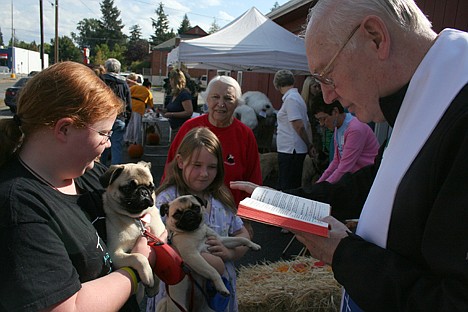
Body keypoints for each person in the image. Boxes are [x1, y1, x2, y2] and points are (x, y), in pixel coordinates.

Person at [234, 0, 468, 310]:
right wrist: (280, 201)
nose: (328, 96)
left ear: (375, 37)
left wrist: (342, 253)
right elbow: (376, 180)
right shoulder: (424, 91)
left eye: (326, 75)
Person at [0, 61, 158, 311]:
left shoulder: (89, 175)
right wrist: (136, 268)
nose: (108, 144)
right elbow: (69, 307)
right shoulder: (18, 207)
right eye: (104, 133)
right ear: (64, 128)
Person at [148, 127, 251, 312]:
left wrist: (231, 254)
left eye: (211, 167)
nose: (204, 173)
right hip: (177, 291)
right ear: (180, 161)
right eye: (197, 165)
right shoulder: (165, 200)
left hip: (216, 295)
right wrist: (205, 260)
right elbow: (154, 243)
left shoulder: (221, 200)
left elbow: (242, 232)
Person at [163, 75, 262, 238]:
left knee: (224, 261)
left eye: (228, 98)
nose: (221, 104)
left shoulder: (245, 134)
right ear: (207, 99)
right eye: (215, 97)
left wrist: (247, 221)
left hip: (230, 221)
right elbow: (170, 171)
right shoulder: (190, 128)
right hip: (188, 220)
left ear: (237, 103)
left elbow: (253, 179)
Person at [313, 100, 379, 184]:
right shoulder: (338, 126)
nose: (322, 124)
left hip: (367, 178)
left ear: (335, 112)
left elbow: (345, 167)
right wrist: (320, 182)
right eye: (319, 120)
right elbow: (337, 160)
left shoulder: (355, 129)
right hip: (357, 176)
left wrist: (324, 186)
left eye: (323, 119)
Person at [273, 69, 314, 190]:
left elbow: (299, 126)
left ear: (278, 85)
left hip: (290, 150)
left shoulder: (291, 99)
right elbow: (307, 125)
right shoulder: (297, 98)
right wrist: (309, 144)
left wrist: (308, 145)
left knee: (287, 187)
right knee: (292, 184)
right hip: (294, 150)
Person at [100, 58, 132, 165]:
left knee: (102, 144)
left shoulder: (101, 81)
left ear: (106, 68)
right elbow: (128, 104)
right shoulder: (124, 84)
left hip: (103, 117)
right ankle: (115, 171)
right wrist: (127, 119)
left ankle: (101, 168)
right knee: (116, 146)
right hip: (120, 117)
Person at [164, 68, 194, 139]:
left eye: (171, 79)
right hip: (174, 128)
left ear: (175, 81)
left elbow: (189, 112)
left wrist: (171, 115)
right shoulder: (175, 94)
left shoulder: (184, 94)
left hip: (181, 128)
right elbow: (173, 108)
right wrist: (163, 110)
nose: (170, 82)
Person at [124, 78, 154, 145]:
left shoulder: (135, 87)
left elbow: (127, 93)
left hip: (131, 105)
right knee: (137, 125)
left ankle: (127, 138)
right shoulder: (148, 91)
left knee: (130, 123)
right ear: (149, 86)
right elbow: (151, 104)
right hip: (139, 107)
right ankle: (136, 141)